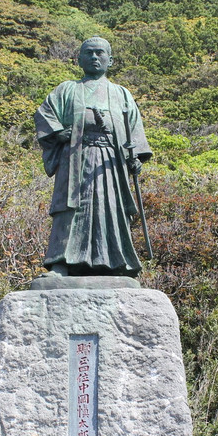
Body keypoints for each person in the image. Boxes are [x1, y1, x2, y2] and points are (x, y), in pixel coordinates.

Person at [35, 37, 151, 277]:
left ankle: (116, 264)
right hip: (75, 158)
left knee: (110, 209)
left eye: (100, 53)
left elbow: (133, 131)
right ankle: (60, 264)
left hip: (110, 162)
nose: (94, 57)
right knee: (70, 208)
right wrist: (59, 133)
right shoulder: (66, 90)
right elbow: (45, 115)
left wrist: (135, 158)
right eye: (89, 53)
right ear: (79, 60)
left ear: (111, 60)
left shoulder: (121, 94)